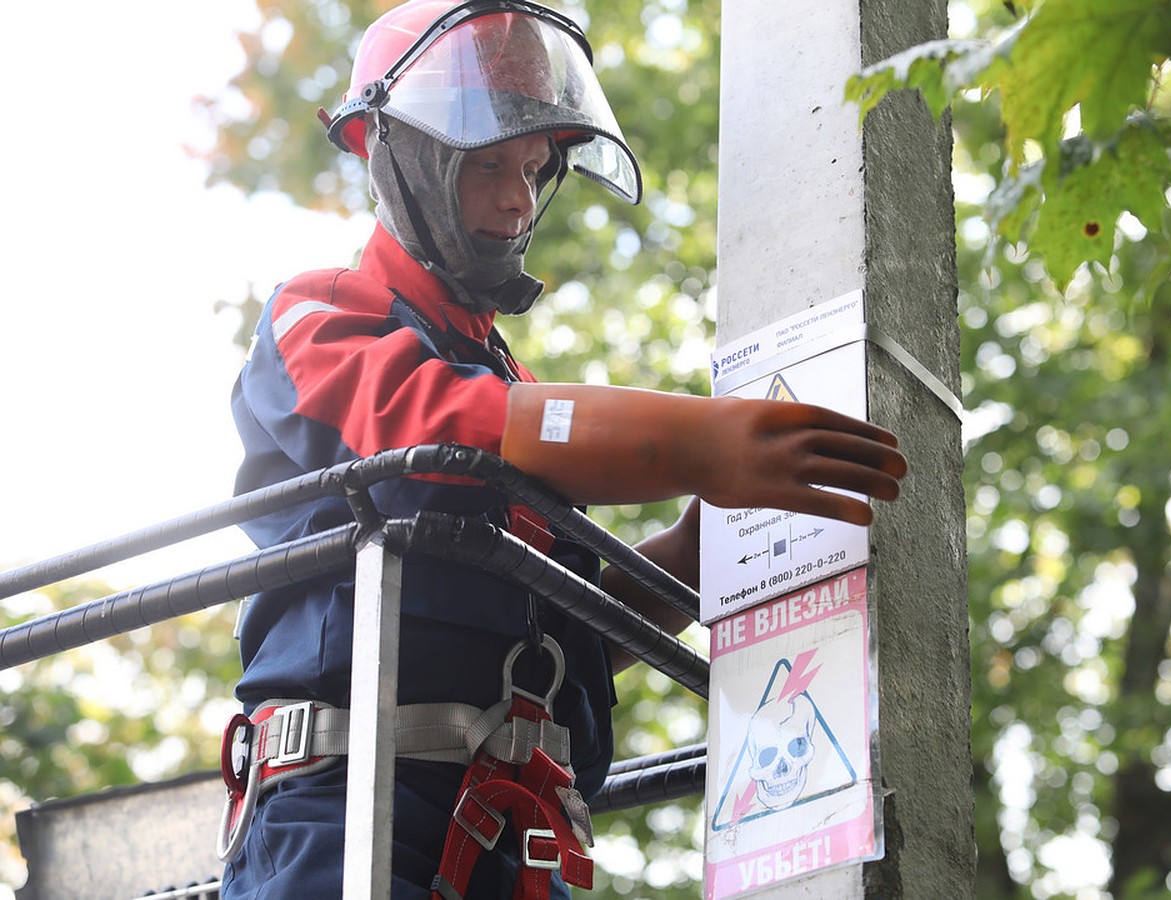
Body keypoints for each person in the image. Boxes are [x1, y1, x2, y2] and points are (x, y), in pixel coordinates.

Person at [218, 1, 908, 897]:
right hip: (343, 815)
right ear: (406, 160)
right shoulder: (320, 316)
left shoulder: (514, 384)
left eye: (536, 167)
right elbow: (435, 426)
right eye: (490, 165)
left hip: (508, 834)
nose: (518, 196)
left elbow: (560, 628)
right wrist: (698, 439)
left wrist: (689, 560)